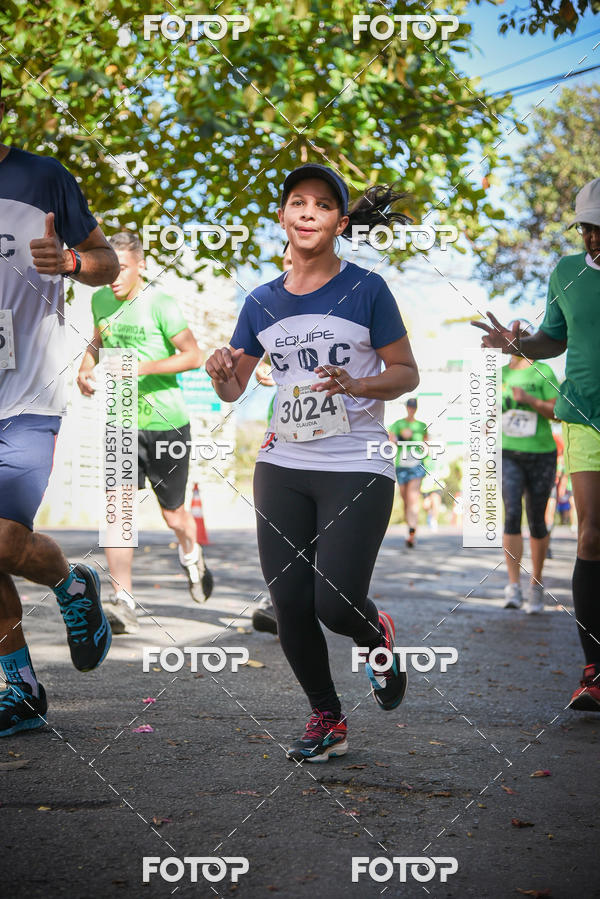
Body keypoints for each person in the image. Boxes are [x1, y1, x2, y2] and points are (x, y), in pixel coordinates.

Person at [206, 163, 419, 761]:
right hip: (283, 463)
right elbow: (234, 387)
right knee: (290, 603)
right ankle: (326, 717)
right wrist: (222, 373)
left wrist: (359, 384)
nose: (307, 211)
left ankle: (376, 633)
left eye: (322, 205)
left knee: (335, 603)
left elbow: (407, 374)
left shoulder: (367, 289)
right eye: (297, 201)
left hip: (358, 462)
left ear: (339, 223)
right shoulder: (261, 301)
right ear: (282, 217)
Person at [0, 73, 119, 737]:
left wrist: (70, 260)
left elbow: (108, 262)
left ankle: (72, 582)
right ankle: (19, 686)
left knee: (2, 538)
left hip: (29, 392)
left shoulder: (44, 178)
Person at [472, 177, 600, 711]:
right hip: (585, 416)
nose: (593, 240)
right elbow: (554, 337)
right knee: (592, 536)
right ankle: (594, 670)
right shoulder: (567, 272)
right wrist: (516, 343)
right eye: (588, 230)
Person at [77, 231, 213, 634]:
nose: (113, 278)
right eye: (108, 269)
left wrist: (144, 367)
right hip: (121, 418)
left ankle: (192, 555)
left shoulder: (160, 303)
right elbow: (98, 342)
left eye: (121, 270)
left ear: (140, 267)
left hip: (166, 422)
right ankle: (123, 599)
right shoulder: (99, 299)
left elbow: (193, 355)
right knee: (117, 508)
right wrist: (86, 368)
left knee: (174, 516)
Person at [499, 320, 558, 614]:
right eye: (515, 337)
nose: (518, 342)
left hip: (542, 453)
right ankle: (513, 586)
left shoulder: (544, 371)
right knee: (511, 514)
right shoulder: (499, 375)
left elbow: (557, 413)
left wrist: (530, 399)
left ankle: (536, 585)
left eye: (524, 337)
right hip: (508, 452)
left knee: (536, 518)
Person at [251, 243, 293, 637]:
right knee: (279, 526)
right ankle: (279, 600)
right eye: (283, 258)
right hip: (280, 432)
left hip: (337, 443)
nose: (289, 262)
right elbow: (264, 365)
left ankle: (312, 598)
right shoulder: (268, 303)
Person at [388, 398, 428, 547]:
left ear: (416, 408)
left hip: (416, 464)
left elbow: (426, 443)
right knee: (406, 500)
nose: (412, 409)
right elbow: (391, 439)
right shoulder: (398, 424)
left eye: (414, 407)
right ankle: (409, 529)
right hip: (402, 464)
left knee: (413, 499)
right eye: (410, 407)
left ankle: (412, 534)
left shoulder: (422, 425)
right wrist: (400, 437)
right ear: (407, 408)